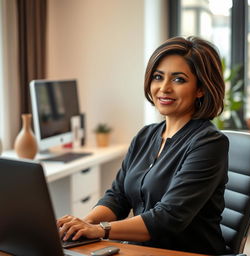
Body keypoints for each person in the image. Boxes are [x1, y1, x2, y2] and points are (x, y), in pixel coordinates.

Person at [57, 36, 229, 255]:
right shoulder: (146, 135)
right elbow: (117, 197)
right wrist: (81, 225)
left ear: (200, 89)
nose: (164, 88)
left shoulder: (209, 143)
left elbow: (168, 218)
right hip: (139, 250)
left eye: (178, 80)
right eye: (158, 77)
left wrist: (99, 230)